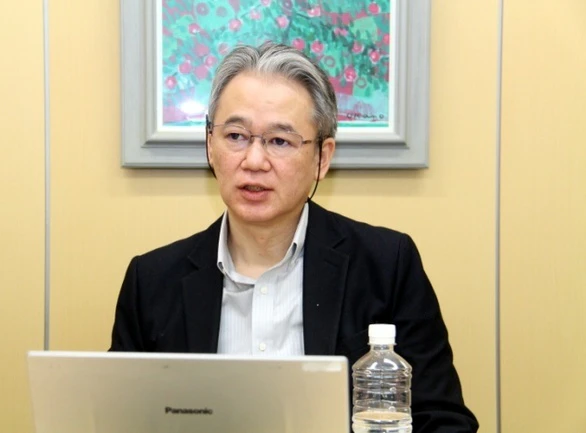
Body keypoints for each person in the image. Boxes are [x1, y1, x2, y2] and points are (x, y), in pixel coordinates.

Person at [110, 42, 478, 432]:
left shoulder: (387, 266)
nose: (253, 161)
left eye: (279, 141)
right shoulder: (151, 281)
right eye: (235, 136)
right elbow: (118, 419)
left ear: (322, 158)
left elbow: (443, 421)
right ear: (209, 146)